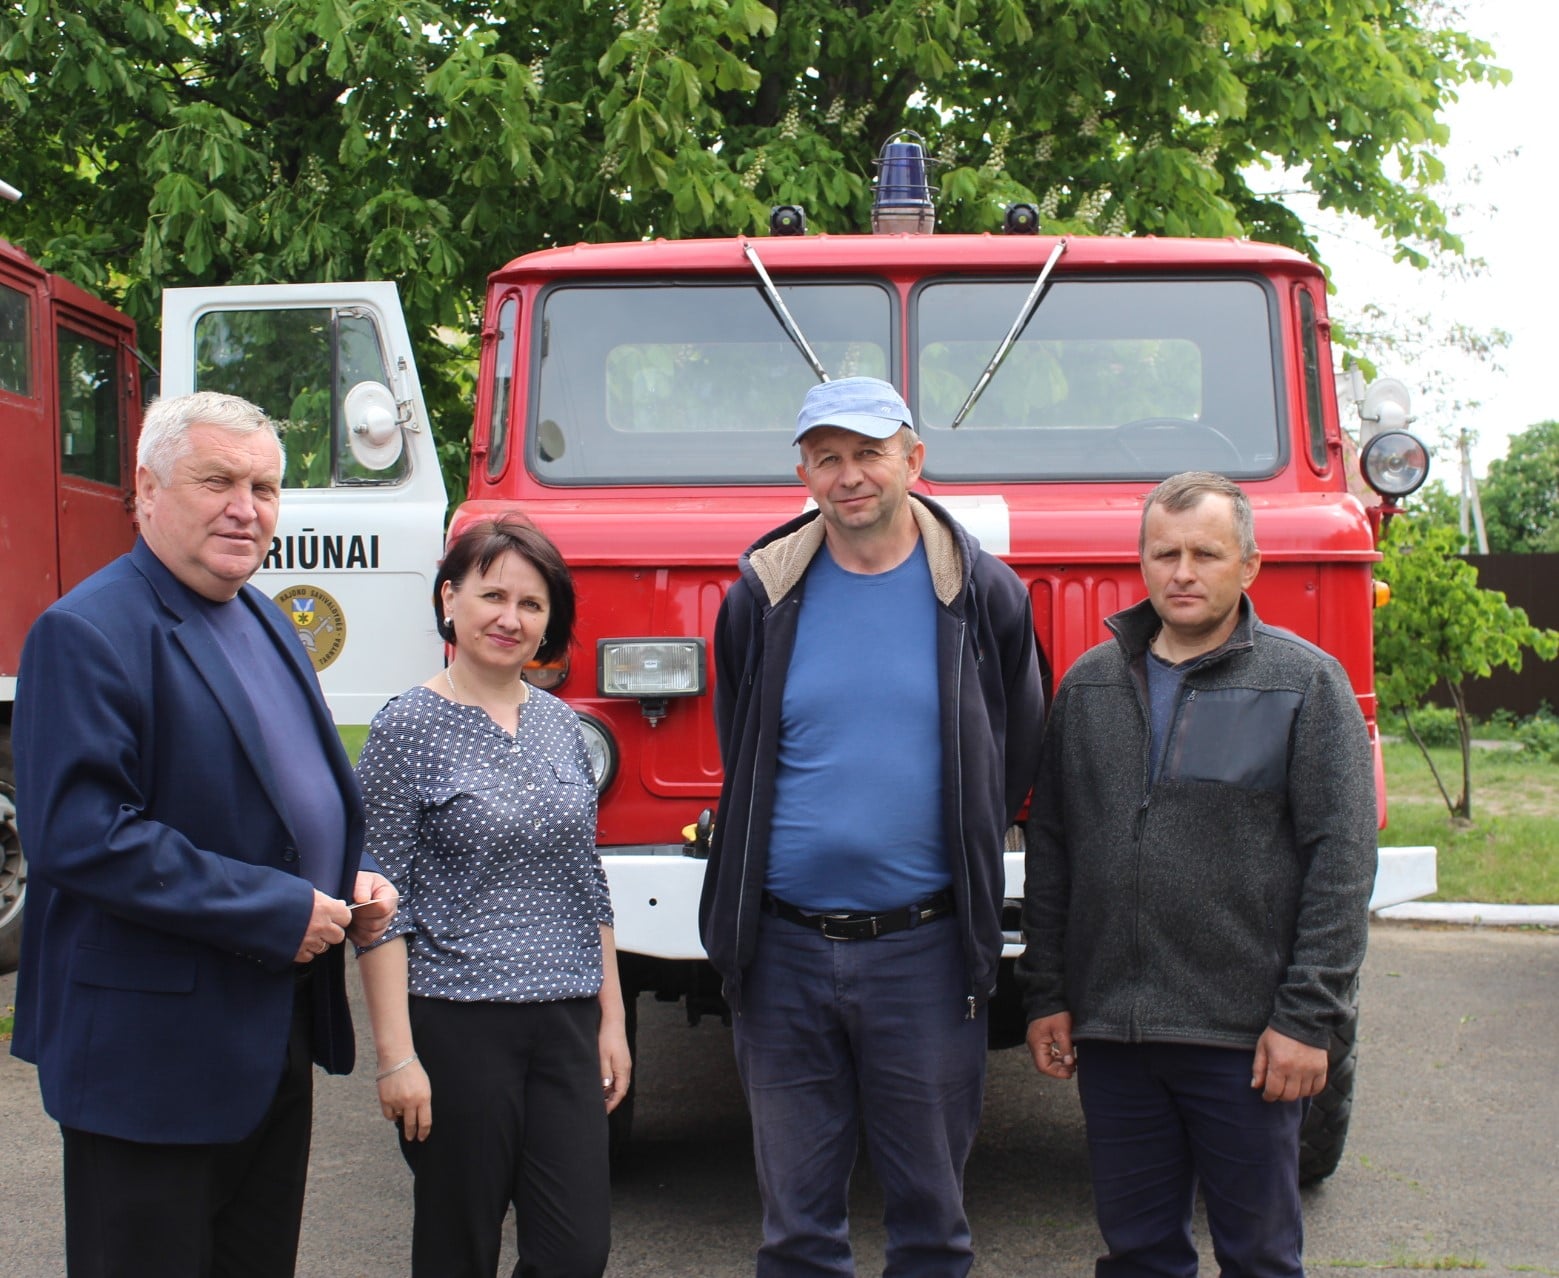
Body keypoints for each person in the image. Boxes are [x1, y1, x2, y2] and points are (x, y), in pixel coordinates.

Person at [9, 390, 397, 1278]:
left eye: (264, 488)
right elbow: (81, 836)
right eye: (217, 481)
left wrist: (353, 870)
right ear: (146, 491)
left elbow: (290, 796)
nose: (244, 509)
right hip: (148, 1066)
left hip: (266, 1041)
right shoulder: (86, 632)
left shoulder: (268, 619)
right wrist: (276, 909)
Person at [699, 376, 1045, 1277]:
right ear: (803, 474)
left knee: (930, 1225)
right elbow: (743, 743)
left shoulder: (984, 593)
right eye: (827, 458)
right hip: (780, 955)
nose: (848, 476)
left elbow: (1015, 749)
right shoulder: (760, 596)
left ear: (913, 459)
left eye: (868, 454)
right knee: (796, 1233)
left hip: (924, 955)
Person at [1017, 471, 1378, 1277]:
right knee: (1138, 1254)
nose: (1182, 572)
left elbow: (1342, 862)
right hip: (1115, 1038)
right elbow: (1053, 849)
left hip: (1245, 1041)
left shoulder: (1303, 684)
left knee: (1258, 1257)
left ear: (1248, 565)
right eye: (1165, 554)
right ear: (1142, 563)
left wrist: (1307, 1019)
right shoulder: (1088, 686)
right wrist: (1047, 994)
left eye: (1205, 554)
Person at [354, 517, 631, 1278]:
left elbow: (588, 882)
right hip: (458, 1024)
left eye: (532, 604)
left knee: (575, 1252)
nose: (511, 618)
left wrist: (610, 1020)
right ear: (449, 600)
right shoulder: (406, 727)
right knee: (459, 1247)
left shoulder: (564, 728)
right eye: (493, 596)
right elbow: (379, 906)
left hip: (566, 1022)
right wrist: (396, 1058)